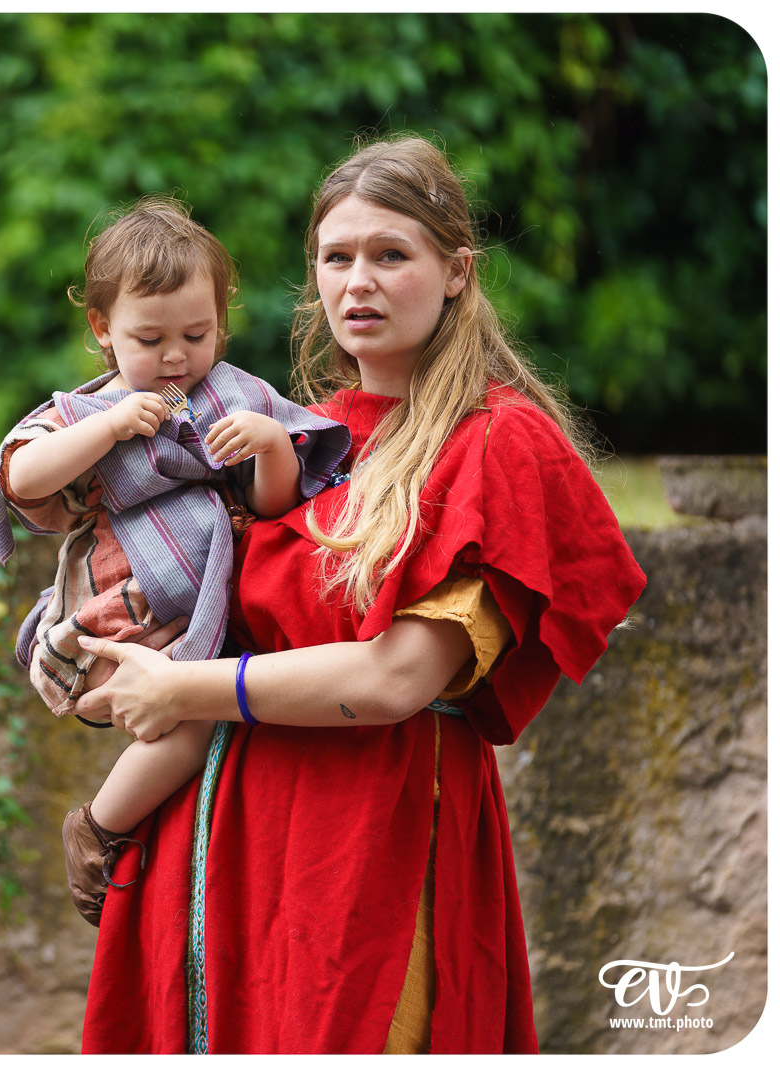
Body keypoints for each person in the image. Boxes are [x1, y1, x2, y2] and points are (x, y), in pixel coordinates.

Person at [71, 137, 647, 1054]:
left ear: (457, 271)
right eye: (336, 258)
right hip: (226, 840)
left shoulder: (498, 442)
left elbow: (394, 679)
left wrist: (179, 691)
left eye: (391, 255)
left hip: (369, 842)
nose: (358, 282)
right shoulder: (302, 434)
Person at [0, 197, 349, 924]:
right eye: (150, 338)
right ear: (102, 329)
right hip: (122, 607)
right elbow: (21, 476)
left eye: (197, 334)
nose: (176, 356)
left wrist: (269, 443)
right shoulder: (84, 412)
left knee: (204, 715)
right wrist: (109, 427)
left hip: (214, 599)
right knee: (193, 716)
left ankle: (113, 824)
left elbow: (275, 506)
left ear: (221, 324)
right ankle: (98, 827)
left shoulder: (233, 395)